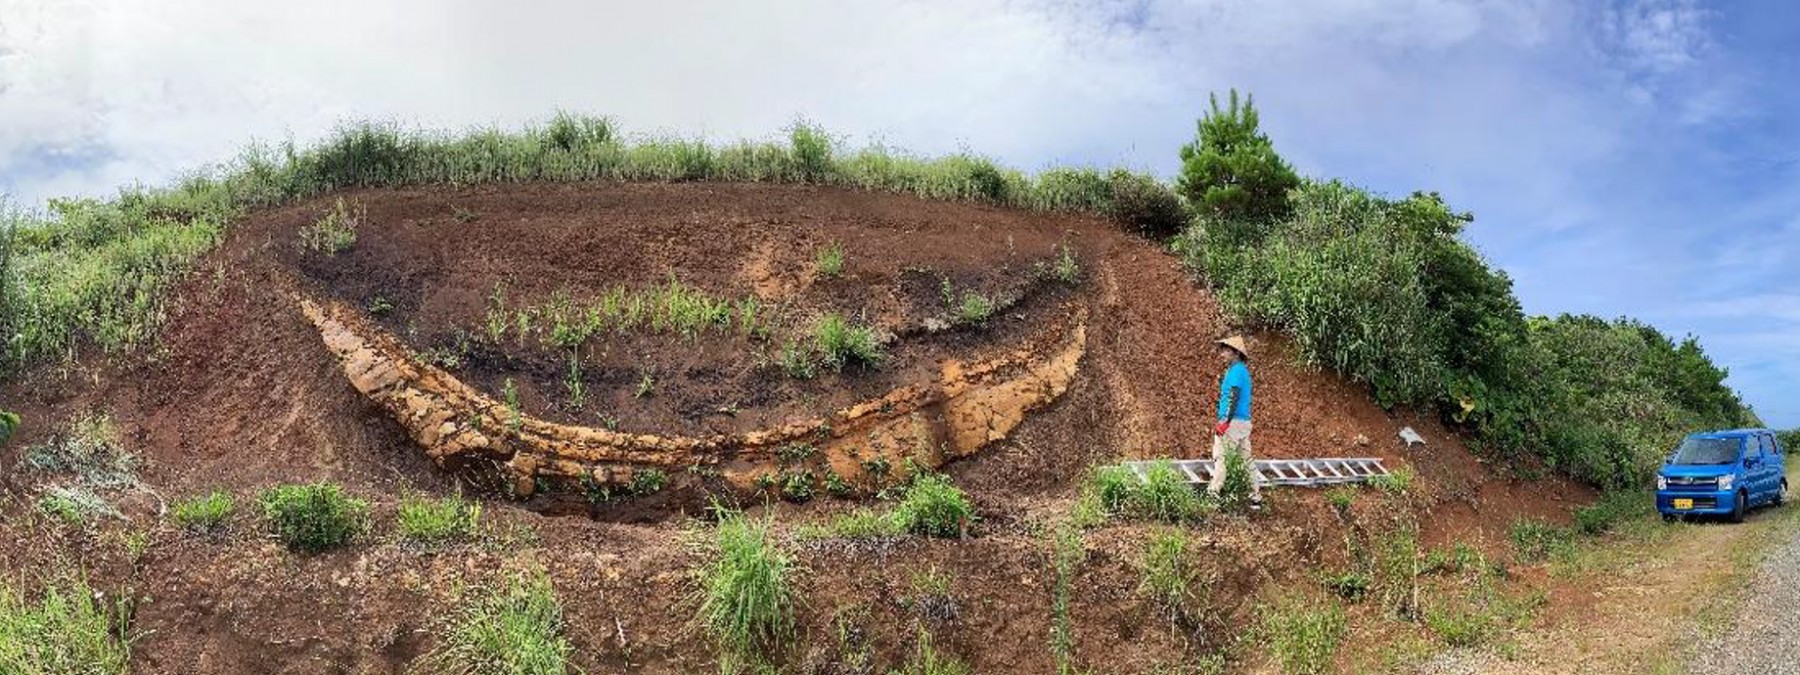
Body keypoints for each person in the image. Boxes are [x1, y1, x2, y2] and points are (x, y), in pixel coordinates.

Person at [1209, 335, 1261, 505]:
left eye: (1226, 350)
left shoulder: (1237, 371)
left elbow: (1233, 396)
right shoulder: (1240, 371)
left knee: (1221, 456)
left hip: (1232, 422)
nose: (1222, 353)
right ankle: (1255, 495)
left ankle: (1213, 493)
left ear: (1236, 353)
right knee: (1246, 459)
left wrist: (1226, 421)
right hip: (1243, 422)